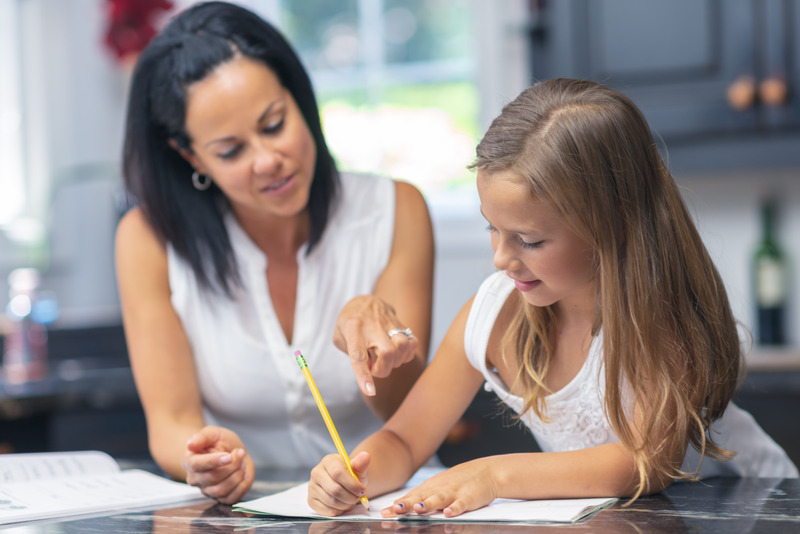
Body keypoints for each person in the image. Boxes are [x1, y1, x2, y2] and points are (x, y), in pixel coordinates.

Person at [307, 78, 799, 518]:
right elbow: (404, 438)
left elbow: (643, 464)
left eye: (530, 240)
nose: (501, 258)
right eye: (492, 229)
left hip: (756, 510)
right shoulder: (495, 314)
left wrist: (494, 476)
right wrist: (355, 474)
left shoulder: (663, 319)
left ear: (615, 224)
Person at [114, 1, 434, 504]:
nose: (268, 161)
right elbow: (172, 424)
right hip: (249, 512)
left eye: (274, 124)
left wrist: (382, 345)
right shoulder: (148, 239)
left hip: (388, 501)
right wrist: (201, 458)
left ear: (298, 98)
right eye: (230, 151)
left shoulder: (397, 209)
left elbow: (414, 415)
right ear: (189, 155)